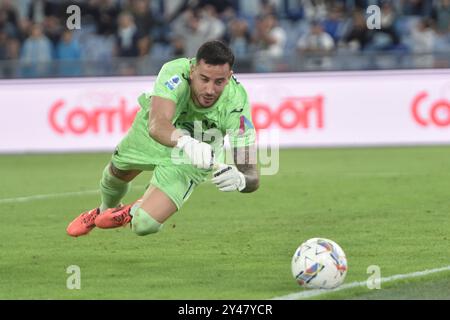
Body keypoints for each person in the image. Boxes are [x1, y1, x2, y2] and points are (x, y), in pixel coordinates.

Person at [66, 40, 259, 237]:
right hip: (159, 134)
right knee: (116, 173)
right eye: (204, 79)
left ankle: (132, 211)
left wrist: (241, 180)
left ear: (229, 77)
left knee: (144, 225)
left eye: (219, 82)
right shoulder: (175, 72)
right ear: (192, 70)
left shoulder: (237, 103)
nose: (210, 90)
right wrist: (186, 142)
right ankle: (104, 209)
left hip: (195, 156)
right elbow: (157, 124)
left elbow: (252, 174)